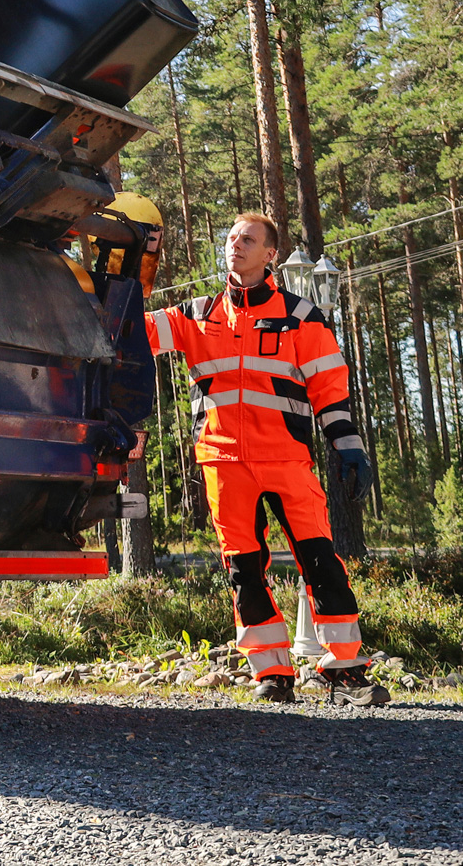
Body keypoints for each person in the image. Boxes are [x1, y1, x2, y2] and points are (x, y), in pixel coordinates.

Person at [144, 212, 386, 706]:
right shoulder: (195, 314)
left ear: (270, 254)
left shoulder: (301, 316)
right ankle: (272, 673)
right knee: (243, 570)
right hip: (223, 464)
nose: (235, 245)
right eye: (231, 237)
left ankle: (345, 672)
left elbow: (330, 391)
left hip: (286, 461)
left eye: (248, 240)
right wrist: (131, 270)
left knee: (321, 562)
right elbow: (129, 330)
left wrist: (348, 445)